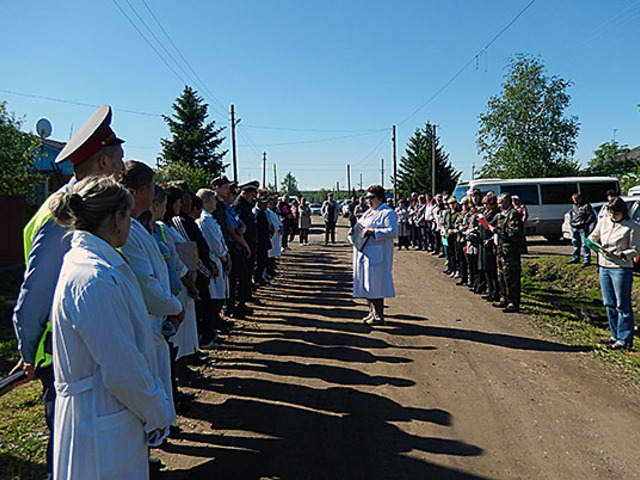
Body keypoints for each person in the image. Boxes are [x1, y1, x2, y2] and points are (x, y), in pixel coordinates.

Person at [10, 105, 125, 475]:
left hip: (83, 337)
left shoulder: (86, 205)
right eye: (119, 160)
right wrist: (27, 349)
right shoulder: (67, 212)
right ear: (104, 163)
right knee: (66, 439)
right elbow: (36, 290)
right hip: (62, 348)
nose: (124, 169)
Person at [49, 176, 175, 480]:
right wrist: (158, 410)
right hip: (98, 420)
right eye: (129, 216)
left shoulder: (95, 265)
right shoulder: (93, 277)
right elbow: (123, 369)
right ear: (118, 218)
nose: (131, 224)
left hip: (104, 414)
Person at [120, 161, 185, 415]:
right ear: (141, 191)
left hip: (158, 320)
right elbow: (146, 285)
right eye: (151, 186)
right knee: (151, 394)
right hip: (147, 322)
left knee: (160, 386)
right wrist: (175, 307)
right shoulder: (129, 230)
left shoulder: (138, 227)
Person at [589, 197, 640, 350]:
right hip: (603, 265)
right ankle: (614, 335)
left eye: (616, 213)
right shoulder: (604, 222)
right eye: (611, 213)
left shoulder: (632, 227)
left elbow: (635, 250)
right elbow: (593, 236)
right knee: (609, 302)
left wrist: (620, 255)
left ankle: (624, 339)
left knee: (621, 304)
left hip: (621, 267)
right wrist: (595, 245)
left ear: (623, 212)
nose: (613, 216)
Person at [350, 185, 398, 326]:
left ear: (380, 198)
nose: (368, 201)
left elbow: (393, 231)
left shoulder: (388, 212)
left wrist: (373, 231)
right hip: (364, 253)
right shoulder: (368, 212)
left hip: (378, 256)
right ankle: (371, 312)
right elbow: (359, 226)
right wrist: (353, 232)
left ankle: (378, 315)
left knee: (376, 286)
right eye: (367, 198)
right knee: (366, 285)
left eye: (371, 198)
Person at [489, 192, 525, 313]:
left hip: (510, 251)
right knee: (501, 276)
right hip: (500, 250)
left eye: (501, 202)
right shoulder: (501, 215)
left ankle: (513, 302)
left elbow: (513, 233)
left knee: (511, 277)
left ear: (507, 202)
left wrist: (497, 230)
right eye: (498, 202)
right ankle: (504, 298)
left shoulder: (513, 214)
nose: (499, 205)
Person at [568, 193, 596, 265]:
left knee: (584, 244)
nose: (575, 201)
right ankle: (575, 258)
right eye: (574, 200)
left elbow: (591, 216)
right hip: (574, 226)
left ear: (580, 199)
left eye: (576, 200)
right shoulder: (574, 206)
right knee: (575, 243)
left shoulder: (586, 206)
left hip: (582, 227)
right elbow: (571, 214)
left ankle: (586, 260)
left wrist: (586, 223)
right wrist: (571, 222)